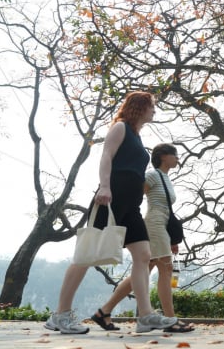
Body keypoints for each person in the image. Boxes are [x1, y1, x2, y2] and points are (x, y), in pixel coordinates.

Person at [44, 91, 177, 334]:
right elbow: (106, 156)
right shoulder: (121, 128)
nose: (154, 110)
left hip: (132, 206)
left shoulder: (136, 136)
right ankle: (60, 314)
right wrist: (104, 186)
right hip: (111, 198)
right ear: (140, 106)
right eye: (151, 106)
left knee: (144, 255)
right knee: (86, 254)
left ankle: (146, 315)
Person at [90, 143, 194, 333]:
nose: (178, 159)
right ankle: (170, 319)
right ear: (163, 156)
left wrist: (171, 238)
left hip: (162, 225)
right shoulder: (153, 175)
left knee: (144, 271)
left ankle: (103, 311)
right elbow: (134, 195)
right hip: (153, 224)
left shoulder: (165, 178)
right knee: (166, 269)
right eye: (175, 155)